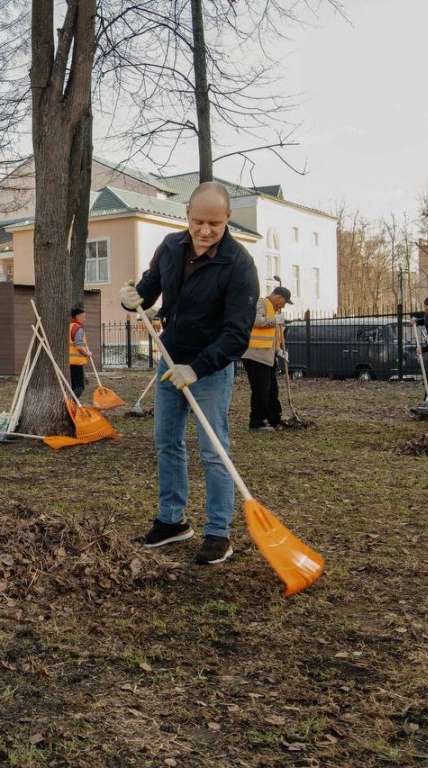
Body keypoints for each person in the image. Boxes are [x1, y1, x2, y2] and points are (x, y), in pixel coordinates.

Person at [120, 181, 259, 565]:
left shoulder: (239, 264)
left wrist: (196, 369)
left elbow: (237, 336)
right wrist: (132, 298)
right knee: (167, 442)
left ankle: (218, 533)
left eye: (214, 222)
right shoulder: (170, 246)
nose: (205, 230)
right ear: (187, 216)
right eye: (198, 221)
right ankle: (172, 521)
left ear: (228, 218)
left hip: (209, 369)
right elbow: (148, 289)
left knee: (213, 451)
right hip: (169, 359)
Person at [241, 286, 293, 432]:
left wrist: (279, 351)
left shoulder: (273, 311)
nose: (283, 305)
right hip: (255, 354)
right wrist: (274, 320)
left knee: (272, 390)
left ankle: (274, 419)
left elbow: (271, 337)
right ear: (278, 298)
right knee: (261, 390)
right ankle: (256, 422)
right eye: (284, 302)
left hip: (267, 355)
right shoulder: (261, 303)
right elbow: (254, 321)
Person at [68, 307, 91, 399]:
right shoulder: (78, 328)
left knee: (73, 386)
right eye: (84, 317)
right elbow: (79, 346)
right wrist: (87, 353)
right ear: (78, 317)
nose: (85, 319)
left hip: (69, 362)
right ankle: (72, 404)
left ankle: (72, 406)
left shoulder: (69, 326)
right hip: (76, 362)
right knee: (80, 387)